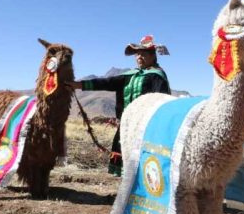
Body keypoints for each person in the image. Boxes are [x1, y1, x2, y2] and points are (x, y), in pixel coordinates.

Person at [69, 35, 171, 176]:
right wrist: (78, 85)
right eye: (137, 54)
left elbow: (162, 102)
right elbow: (105, 82)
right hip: (125, 127)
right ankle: (125, 192)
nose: (139, 57)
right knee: (125, 164)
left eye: (144, 53)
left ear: (153, 56)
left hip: (146, 129)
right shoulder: (129, 76)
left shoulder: (157, 77)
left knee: (144, 166)